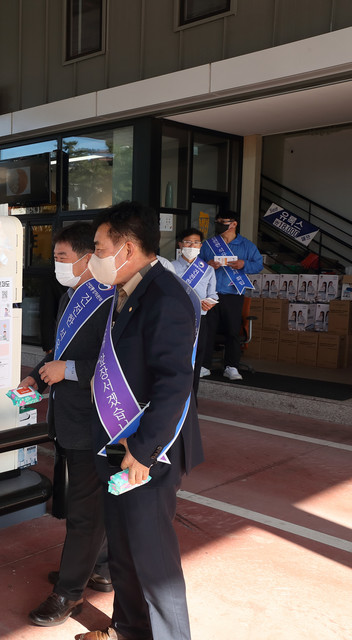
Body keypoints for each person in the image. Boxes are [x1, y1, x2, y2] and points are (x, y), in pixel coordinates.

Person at [76, 201, 204, 640]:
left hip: (150, 452)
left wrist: (143, 451)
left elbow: (175, 382)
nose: (93, 256)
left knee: (154, 564)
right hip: (119, 444)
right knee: (125, 554)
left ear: (126, 248)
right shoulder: (125, 291)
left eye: (98, 247)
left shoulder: (166, 296)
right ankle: (128, 630)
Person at [22, 223, 114, 628]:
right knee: (89, 501)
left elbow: (118, 365)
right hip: (67, 417)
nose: (55, 265)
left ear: (86, 258)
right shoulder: (69, 296)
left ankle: (69, 593)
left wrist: (70, 370)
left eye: (60, 258)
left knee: (84, 510)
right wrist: (35, 376)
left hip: (95, 421)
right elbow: (56, 353)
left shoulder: (112, 300)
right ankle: (101, 566)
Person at [200, 212, 263, 381]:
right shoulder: (209, 245)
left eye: (223, 222)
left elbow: (258, 264)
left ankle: (231, 366)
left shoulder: (246, 245)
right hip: (210, 293)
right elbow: (197, 264)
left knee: (232, 331)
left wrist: (244, 264)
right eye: (217, 222)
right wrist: (207, 265)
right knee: (207, 330)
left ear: (233, 224)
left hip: (233, 294)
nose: (219, 225)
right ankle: (204, 366)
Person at [170, 228, 217, 387]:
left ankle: (193, 400)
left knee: (196, 360)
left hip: (200, 320)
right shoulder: (170, 267)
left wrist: (209, 302)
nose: (192, 245)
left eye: (196, 242)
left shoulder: (208, 269)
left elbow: (213, 294)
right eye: (188, 242)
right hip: (177, 321)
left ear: (200, 246)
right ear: (180, 244)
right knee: (176, 359)